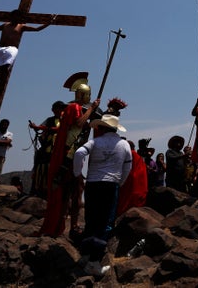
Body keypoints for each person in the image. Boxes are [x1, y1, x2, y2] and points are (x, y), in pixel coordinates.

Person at [39, 76, 100, 238]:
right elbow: (79, 123)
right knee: (68, 190)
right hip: (69, 153)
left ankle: (72, 225)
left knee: (76, 189)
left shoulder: (79, 108)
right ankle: (61, 224)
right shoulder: (73, 108)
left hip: (76, 153)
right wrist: (92, 108)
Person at [73, 114, 131, 278]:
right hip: (110, 184)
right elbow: (127, 167)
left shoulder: (95, 142)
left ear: (103, 128)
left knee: (91, 219)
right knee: (105, 222)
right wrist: (119, 182)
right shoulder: (124, 144)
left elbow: (79, 153)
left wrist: (78, 173)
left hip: (92, 184)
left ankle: (85, 256)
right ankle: (94, 262)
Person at [0, 10, 54, 98]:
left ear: (20, 18)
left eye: (17, 17)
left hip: (11, 49)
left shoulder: (21, 26)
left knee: (4, 69)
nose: (15, 18)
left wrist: (49, 22)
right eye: (14, 16)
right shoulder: (6, 25)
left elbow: (37, 29)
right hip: (0, 48)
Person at [29, 100, 66, 198]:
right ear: (53, 110)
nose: (61, 110)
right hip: (47, 150)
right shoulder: (49, 120)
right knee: (39, 166)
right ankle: (37, 189)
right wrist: (35, 127)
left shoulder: (66, 120)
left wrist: (42, 128)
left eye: (62, 108)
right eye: (59, 108)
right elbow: (41, 127)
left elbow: (59, 129)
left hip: (60, 150)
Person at [116, 140, 148, 217]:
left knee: (125, 201)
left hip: (129, 181)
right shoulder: (137, 156)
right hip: (139, 182)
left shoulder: (130, 154)